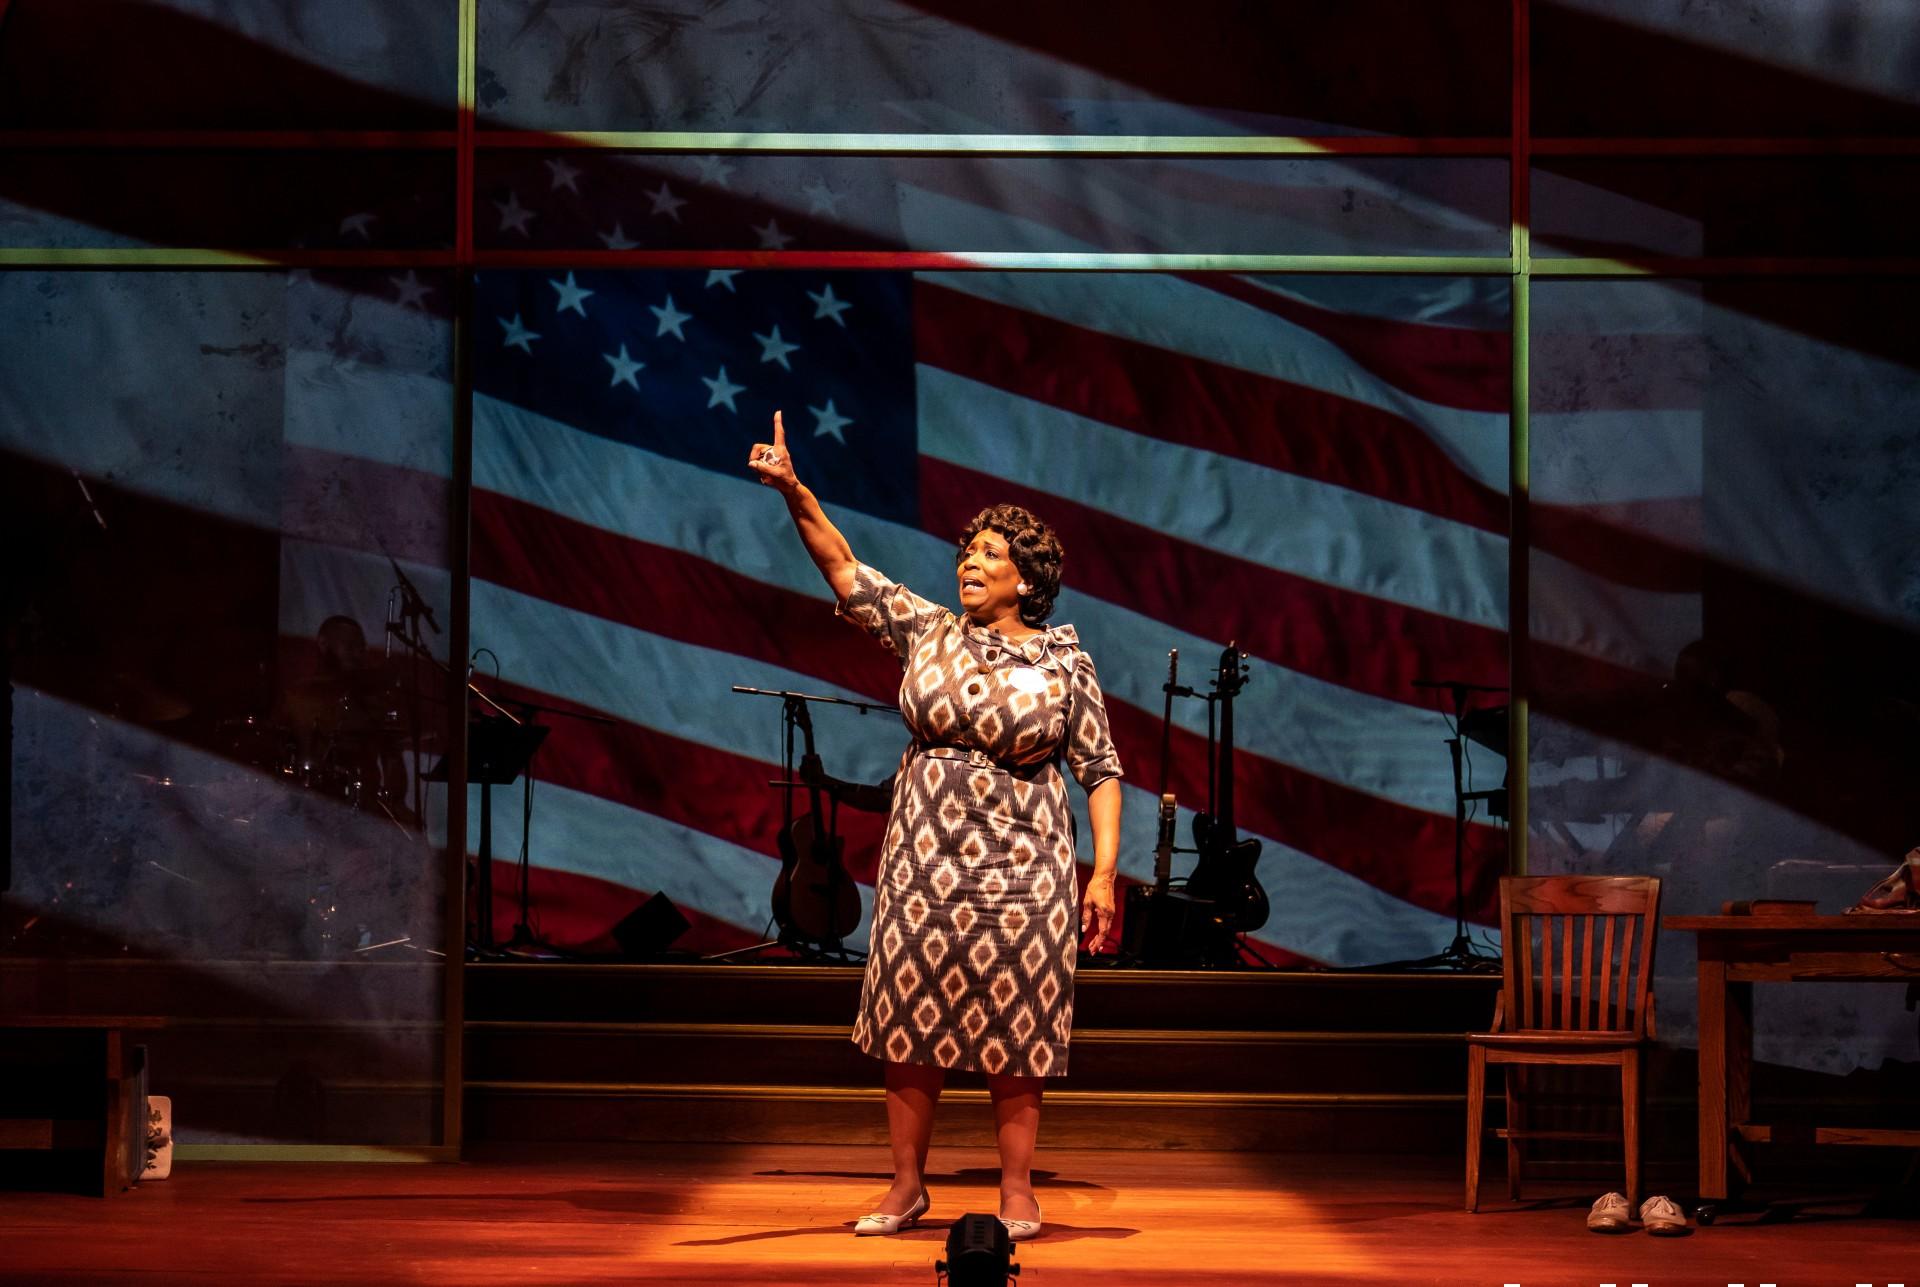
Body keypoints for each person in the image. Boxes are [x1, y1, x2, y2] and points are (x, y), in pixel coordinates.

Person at [749, 411, 1123, 1242]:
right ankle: (907, 1184)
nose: (970, 563)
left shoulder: (1066, 663)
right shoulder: (928, 630)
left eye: (989, 554)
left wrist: (1101, 873)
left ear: (1027, 579)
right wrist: (794, 490)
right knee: (911, 1013)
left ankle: (1018, 1185)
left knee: (1017, 1017)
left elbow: (1099, 768)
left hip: (1026, 860)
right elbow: (844, 568)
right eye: (967, 551)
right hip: (924, 853)